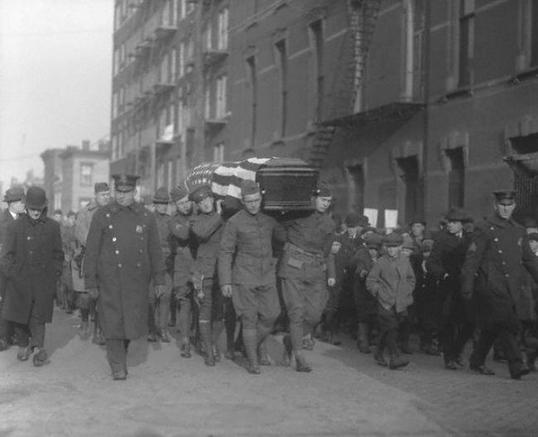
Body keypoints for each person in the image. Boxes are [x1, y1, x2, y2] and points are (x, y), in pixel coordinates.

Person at [84, 174, 166, 380]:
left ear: (134, 191)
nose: (122, 196)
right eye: (118, 192)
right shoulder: (102, 215)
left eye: (126, 192)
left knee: (131, 323)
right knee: (112, 322)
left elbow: (155, 250)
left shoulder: (146, 216)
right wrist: (91, 281)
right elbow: (92, 250)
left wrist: (160, 279)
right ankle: (117, 364)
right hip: (109, 279)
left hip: (136, 280)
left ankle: (121, 353)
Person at [462, 190, 538, 379]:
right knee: (507, 323)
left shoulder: (519, 230)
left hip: (511, 287)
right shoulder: (485, 228)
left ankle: (477, 360)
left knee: (492, 326)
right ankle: (516, 365)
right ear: (496, 206)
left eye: (509, 205)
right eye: (502, 205)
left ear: (514, 206)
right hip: (490, 286)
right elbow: (472, 259)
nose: (505, 209)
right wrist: (467, 285)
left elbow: (530, 260)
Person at [219, 180, 286, 374]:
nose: (253, 205)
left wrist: (282, 216)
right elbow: (225, 252)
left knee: (271, 314)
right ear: (242, 201)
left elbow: (282, 238)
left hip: (266, 275)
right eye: (249, 201)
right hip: (244, 276)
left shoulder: (269, 219)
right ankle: (253, 361)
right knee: (249, 318)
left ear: (261, 198)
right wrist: (225, 281)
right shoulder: (234, 222)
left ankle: (248, 345)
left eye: (256, 200)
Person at [0, 186, 64, 366]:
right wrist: (13, 275)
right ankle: (23, 344)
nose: (36, 212)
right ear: (26, 207)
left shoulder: (53, 227)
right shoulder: (14, 227)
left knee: (39, 315)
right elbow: (6, 257)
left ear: (44, 208)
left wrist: (54, 274)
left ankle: (38, 347)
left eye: (39, 209)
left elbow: (58, 254)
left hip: (43, 281)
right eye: (33, 209)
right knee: (21, 315)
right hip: (19, 281)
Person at [278, 181, 337, 372]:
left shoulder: (329, 223)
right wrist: (289, 246)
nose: (325, 203)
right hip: (293, 267)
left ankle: (290, 339)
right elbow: (278, 230)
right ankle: (299, 356)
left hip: (314, 270)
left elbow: (326, 251)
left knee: (314, 315)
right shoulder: (297, 214)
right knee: (296, 311)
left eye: (328, 201)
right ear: (313, 198)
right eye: (322, 199)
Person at [427, 208, 474, 369]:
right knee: (448, 323)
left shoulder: (470, 239)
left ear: (462, 225)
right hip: (448, 288)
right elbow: (431, 263)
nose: (450, 226)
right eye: (449, 223)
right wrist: (444, 274)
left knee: (470, 321)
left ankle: (457, 351)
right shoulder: (441, 239)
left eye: (454, 223)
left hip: (466, 286)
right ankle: (449, 357)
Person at [366, 232, 415, 370]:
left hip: (400, 303)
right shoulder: (381, 262)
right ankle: (395, 357)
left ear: (400, 247)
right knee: (391, 328)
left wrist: (407, 292)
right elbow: (370, 281)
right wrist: (380, 293)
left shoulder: (405, 261)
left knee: (387, 330)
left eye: (394, 247)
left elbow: (411, 279)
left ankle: (378, 353)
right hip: (384, 303)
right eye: (389, 247)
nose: (391, 250)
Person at [189, 184, 225, 366]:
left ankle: (211, 342)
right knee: (205, 311)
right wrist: (219, 214)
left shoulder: (224, 218)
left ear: (213, 198)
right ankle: (208, 349)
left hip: (222, 272)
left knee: (219, 314)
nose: (205, 204)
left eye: (207, 199)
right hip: (204, 273)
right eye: (200, 202)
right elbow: (203, 233)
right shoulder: (195, 221)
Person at [73, 182, 111, 342]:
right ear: (95, 195)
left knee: (104, 297)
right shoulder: (85, 213)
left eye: (108, 194)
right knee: (86, 297)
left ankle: (100, 331)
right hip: (88, 259)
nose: (107, 197)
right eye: (103, 195)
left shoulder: (114, 211)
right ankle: (84, 319)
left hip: (107, 260)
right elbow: (82, 234)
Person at [168, 183, 196, 357]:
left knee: (201, 304)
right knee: (184, 303)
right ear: (176, 206)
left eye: (187, 201)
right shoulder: (174, 221)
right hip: (182, 267)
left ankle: (200, 337)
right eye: (181, 203)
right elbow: (184, 235)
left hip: (199, 263)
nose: (185, 206)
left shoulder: (200, 213)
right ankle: (185, 339)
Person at [0, 186, 26, 351]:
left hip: (21, 268)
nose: (24, 204)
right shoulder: (2, 221)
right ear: (14, 203)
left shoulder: (25, 219)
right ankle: (3, 337)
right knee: (3, 301)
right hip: (4, 268)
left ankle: (18, 335)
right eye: (22, 201)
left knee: (18, 301)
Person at [148, 187, 173, 343]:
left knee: (165, 297)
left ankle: (162, 329)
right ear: (155, 204)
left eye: (165, 203)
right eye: (159, 203)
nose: (163, 206)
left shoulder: (171, 221)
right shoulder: (148, 220)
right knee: (150, 298)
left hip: (167, 264)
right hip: (151, 263)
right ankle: (151, 329)